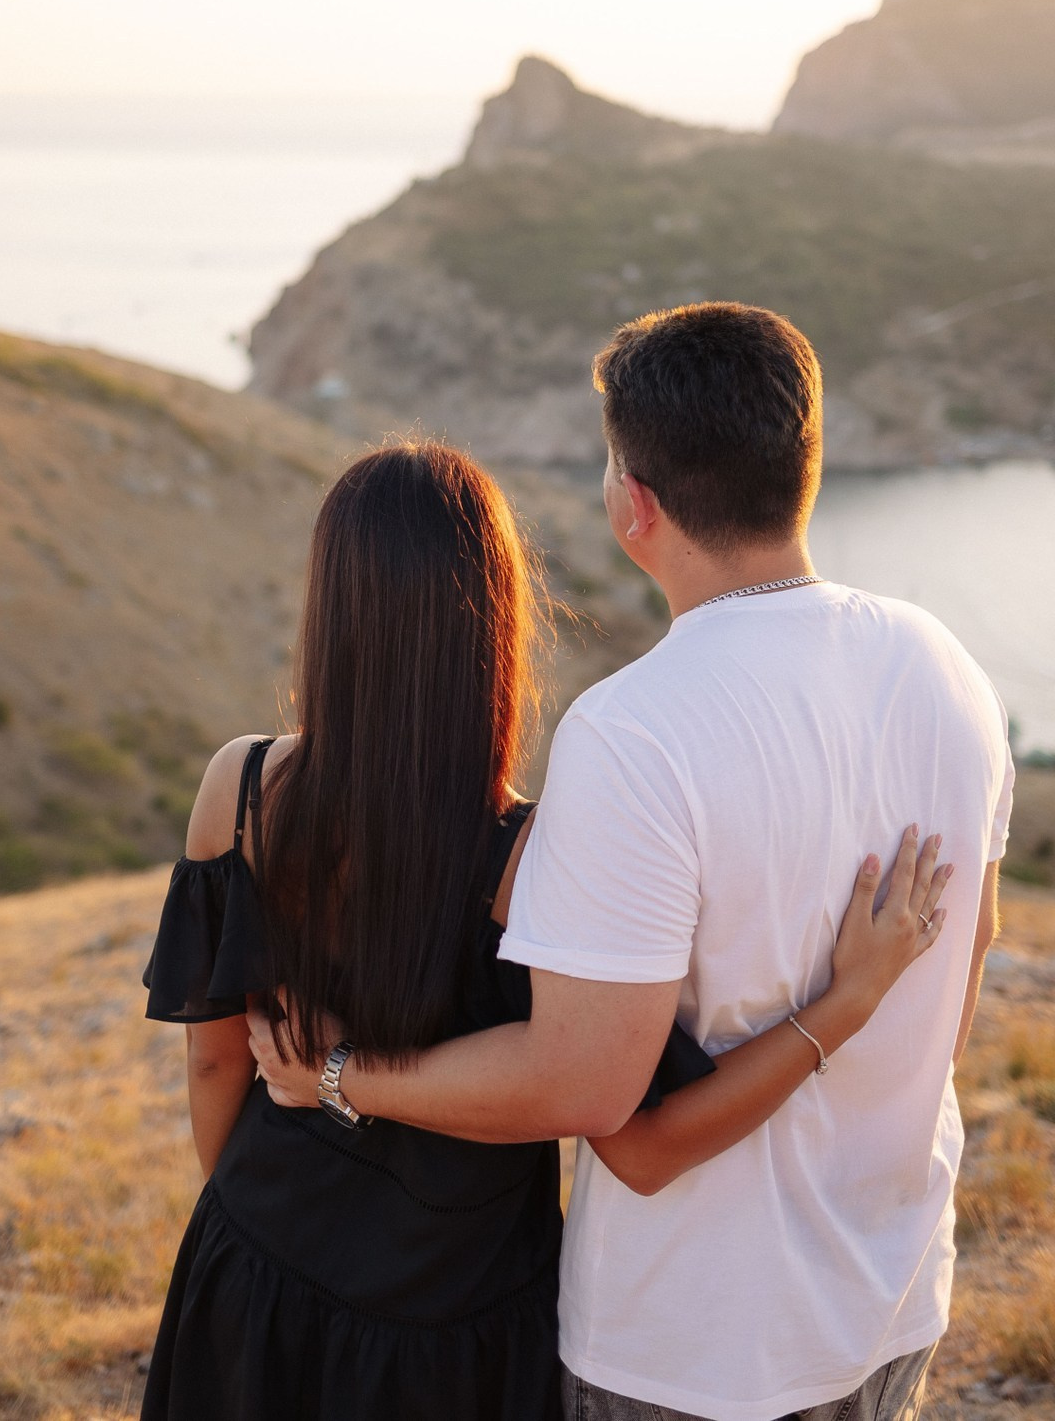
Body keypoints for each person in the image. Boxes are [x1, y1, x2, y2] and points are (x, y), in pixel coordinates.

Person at [254, 304, 1011, 1421]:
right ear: (803, 465)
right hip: (891, 1292)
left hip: (692, 1345)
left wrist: (338, 1077)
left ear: (632, 506)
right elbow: (973, 945)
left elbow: (595, 1096)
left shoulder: (635, 732)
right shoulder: (946, 665)